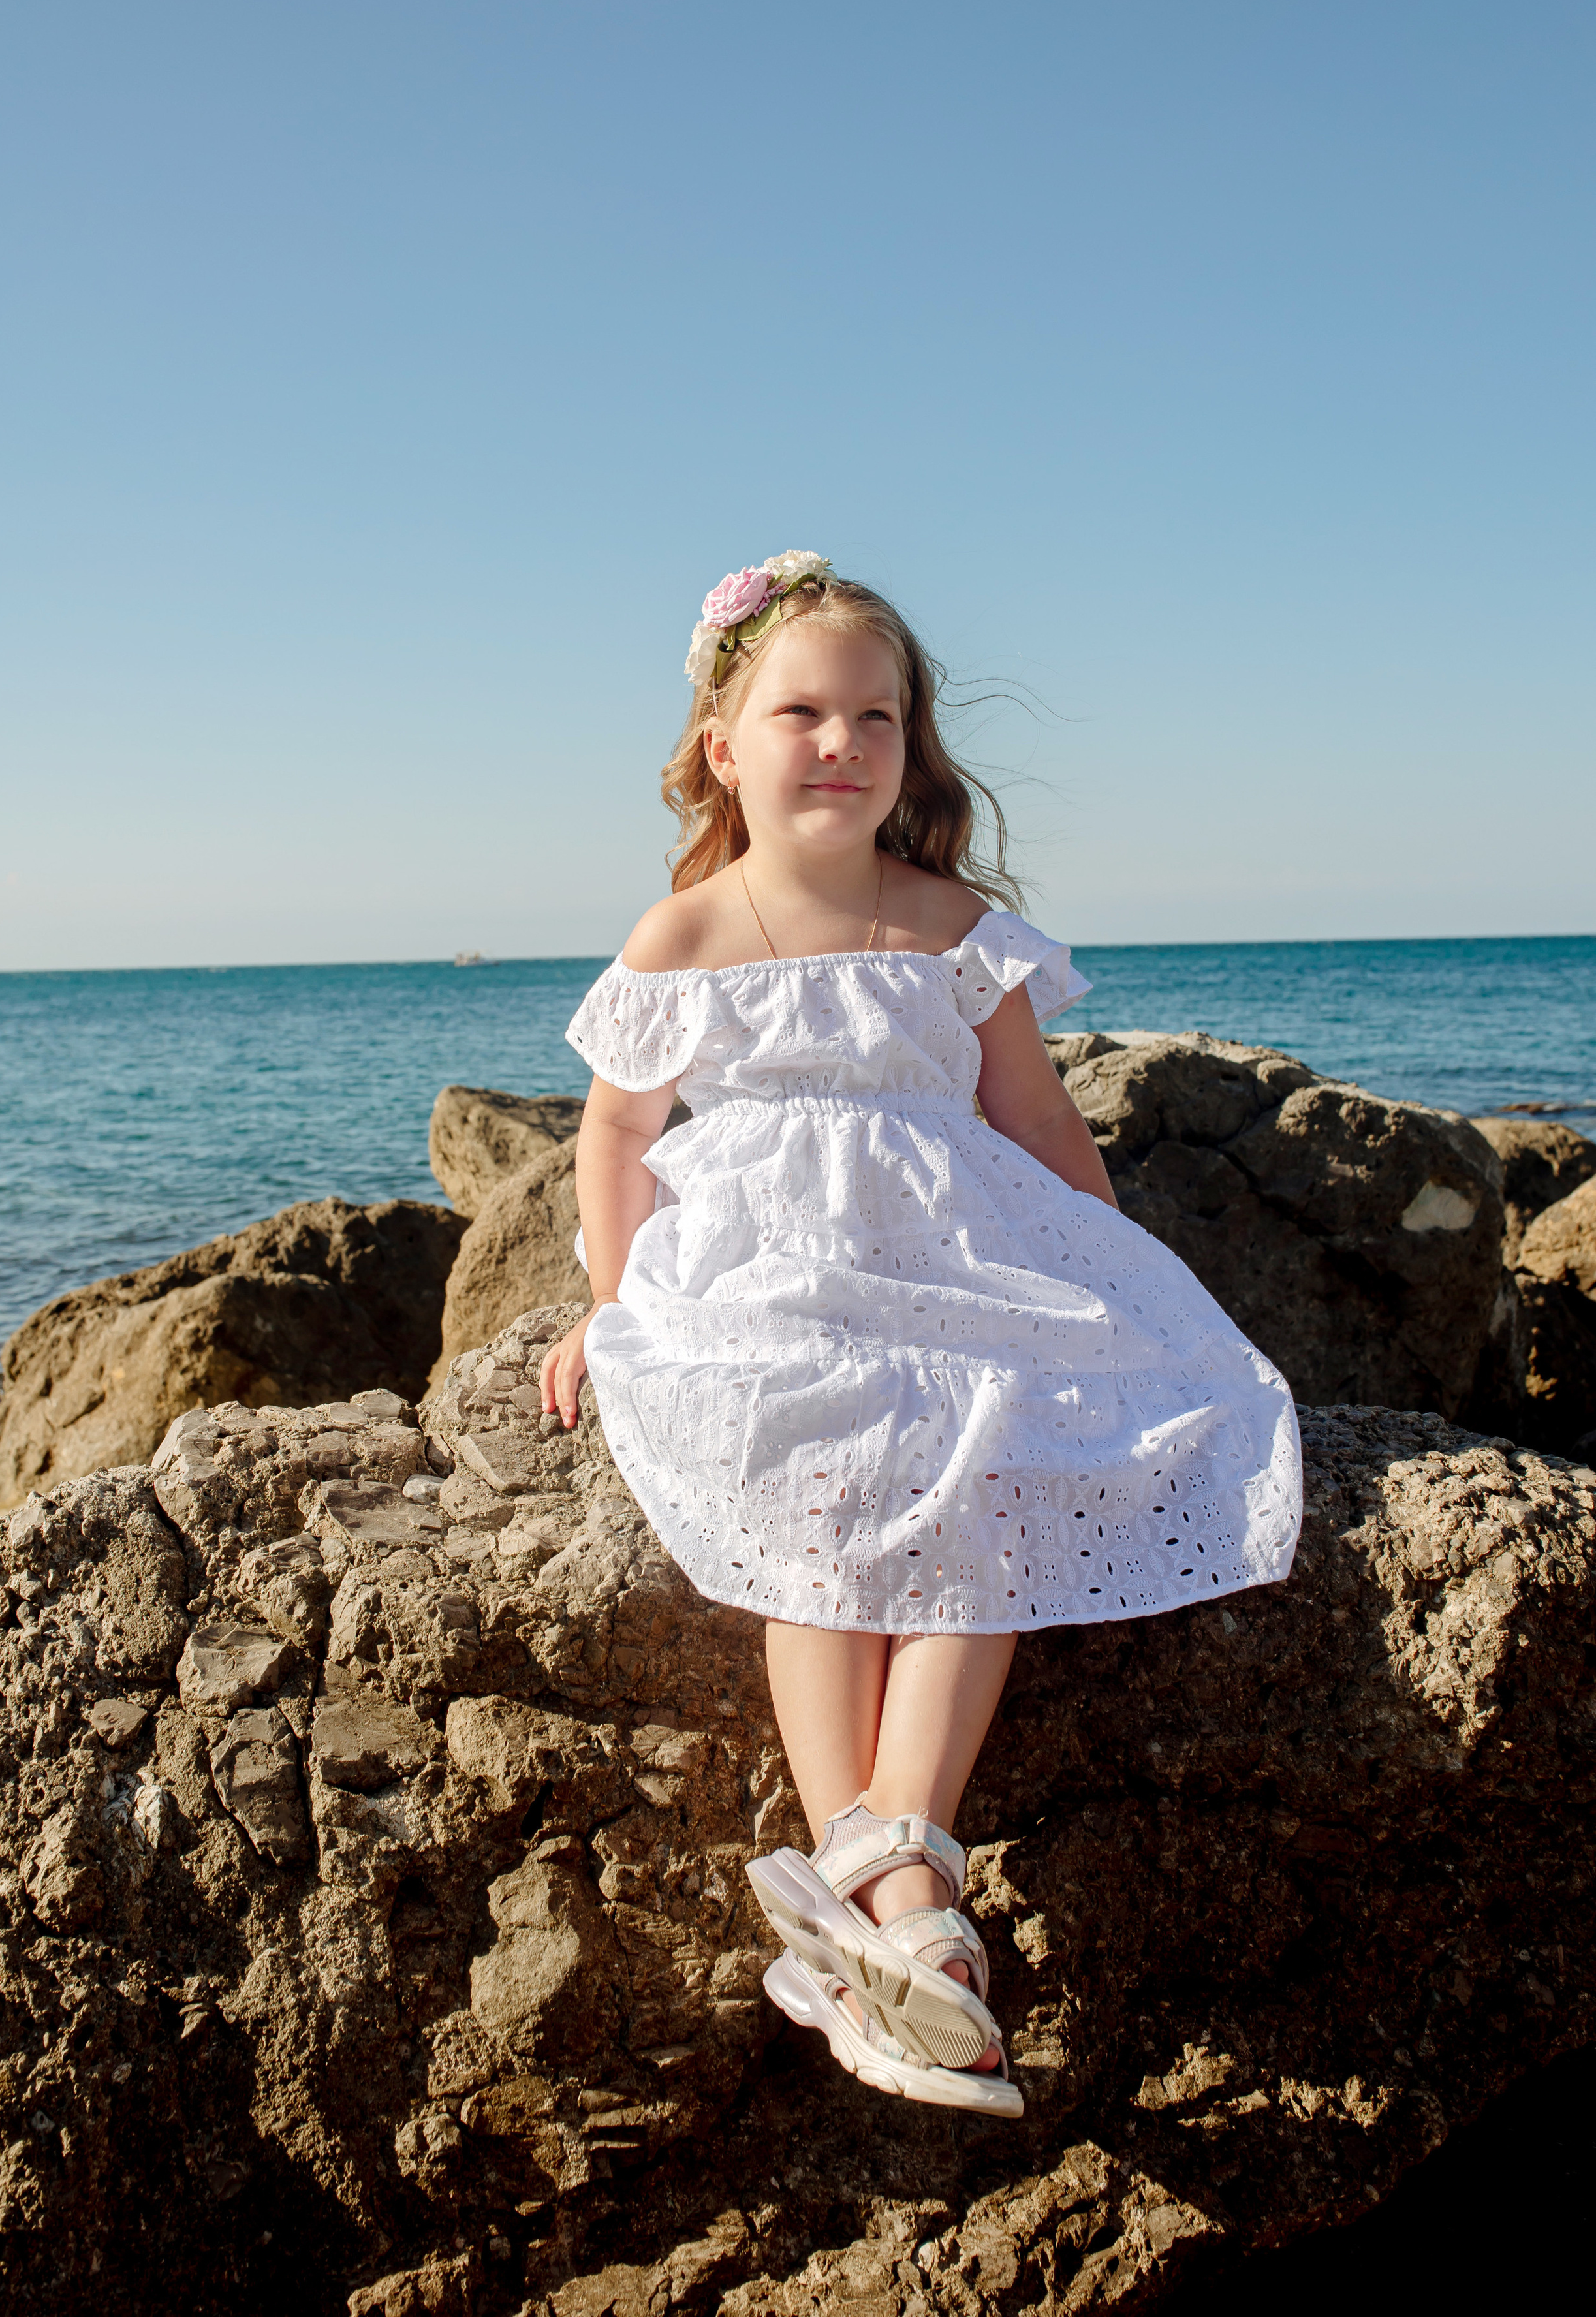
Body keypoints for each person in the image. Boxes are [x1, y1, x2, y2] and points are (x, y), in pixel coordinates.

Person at [540, 554, 1302, 2117]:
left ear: (909, 747)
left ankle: (890, 1873)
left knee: (997, 1477)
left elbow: (1030, 1122)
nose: (838, 741)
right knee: (810, 1512)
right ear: (719, 743)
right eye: (800, 710)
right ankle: (895, 1905)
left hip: (953, 1273)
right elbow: (616, 1136)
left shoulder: (953, 927)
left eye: (872, 716)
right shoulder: (682, 934)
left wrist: (1124, 1282)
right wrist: (614, 1312)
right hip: (766, 1288)